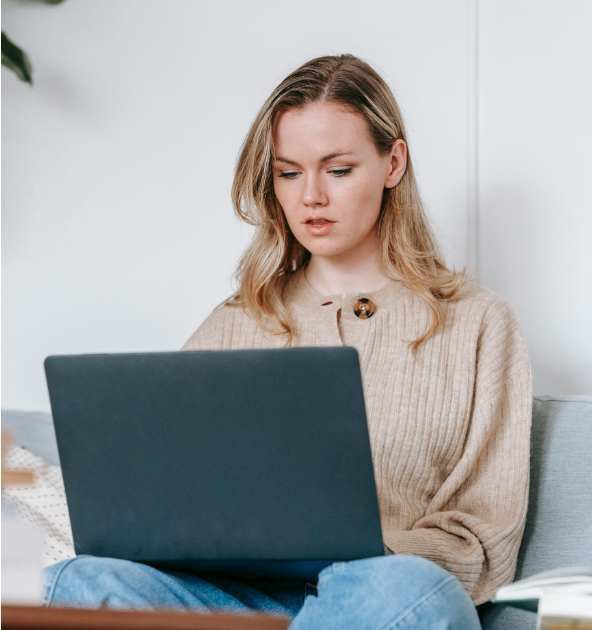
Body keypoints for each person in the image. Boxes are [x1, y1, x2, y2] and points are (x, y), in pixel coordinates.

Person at [42, 54, 531, 630]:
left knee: (410, 589)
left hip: (377, 601)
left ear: (393, 162)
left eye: (338, 170)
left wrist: (370, 555)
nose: (311, 197)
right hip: (235, 604)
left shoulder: (477, 323)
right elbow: (165, 500)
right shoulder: (236, 322)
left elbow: (483, 539)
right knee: (74, 580)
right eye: (289, 173)